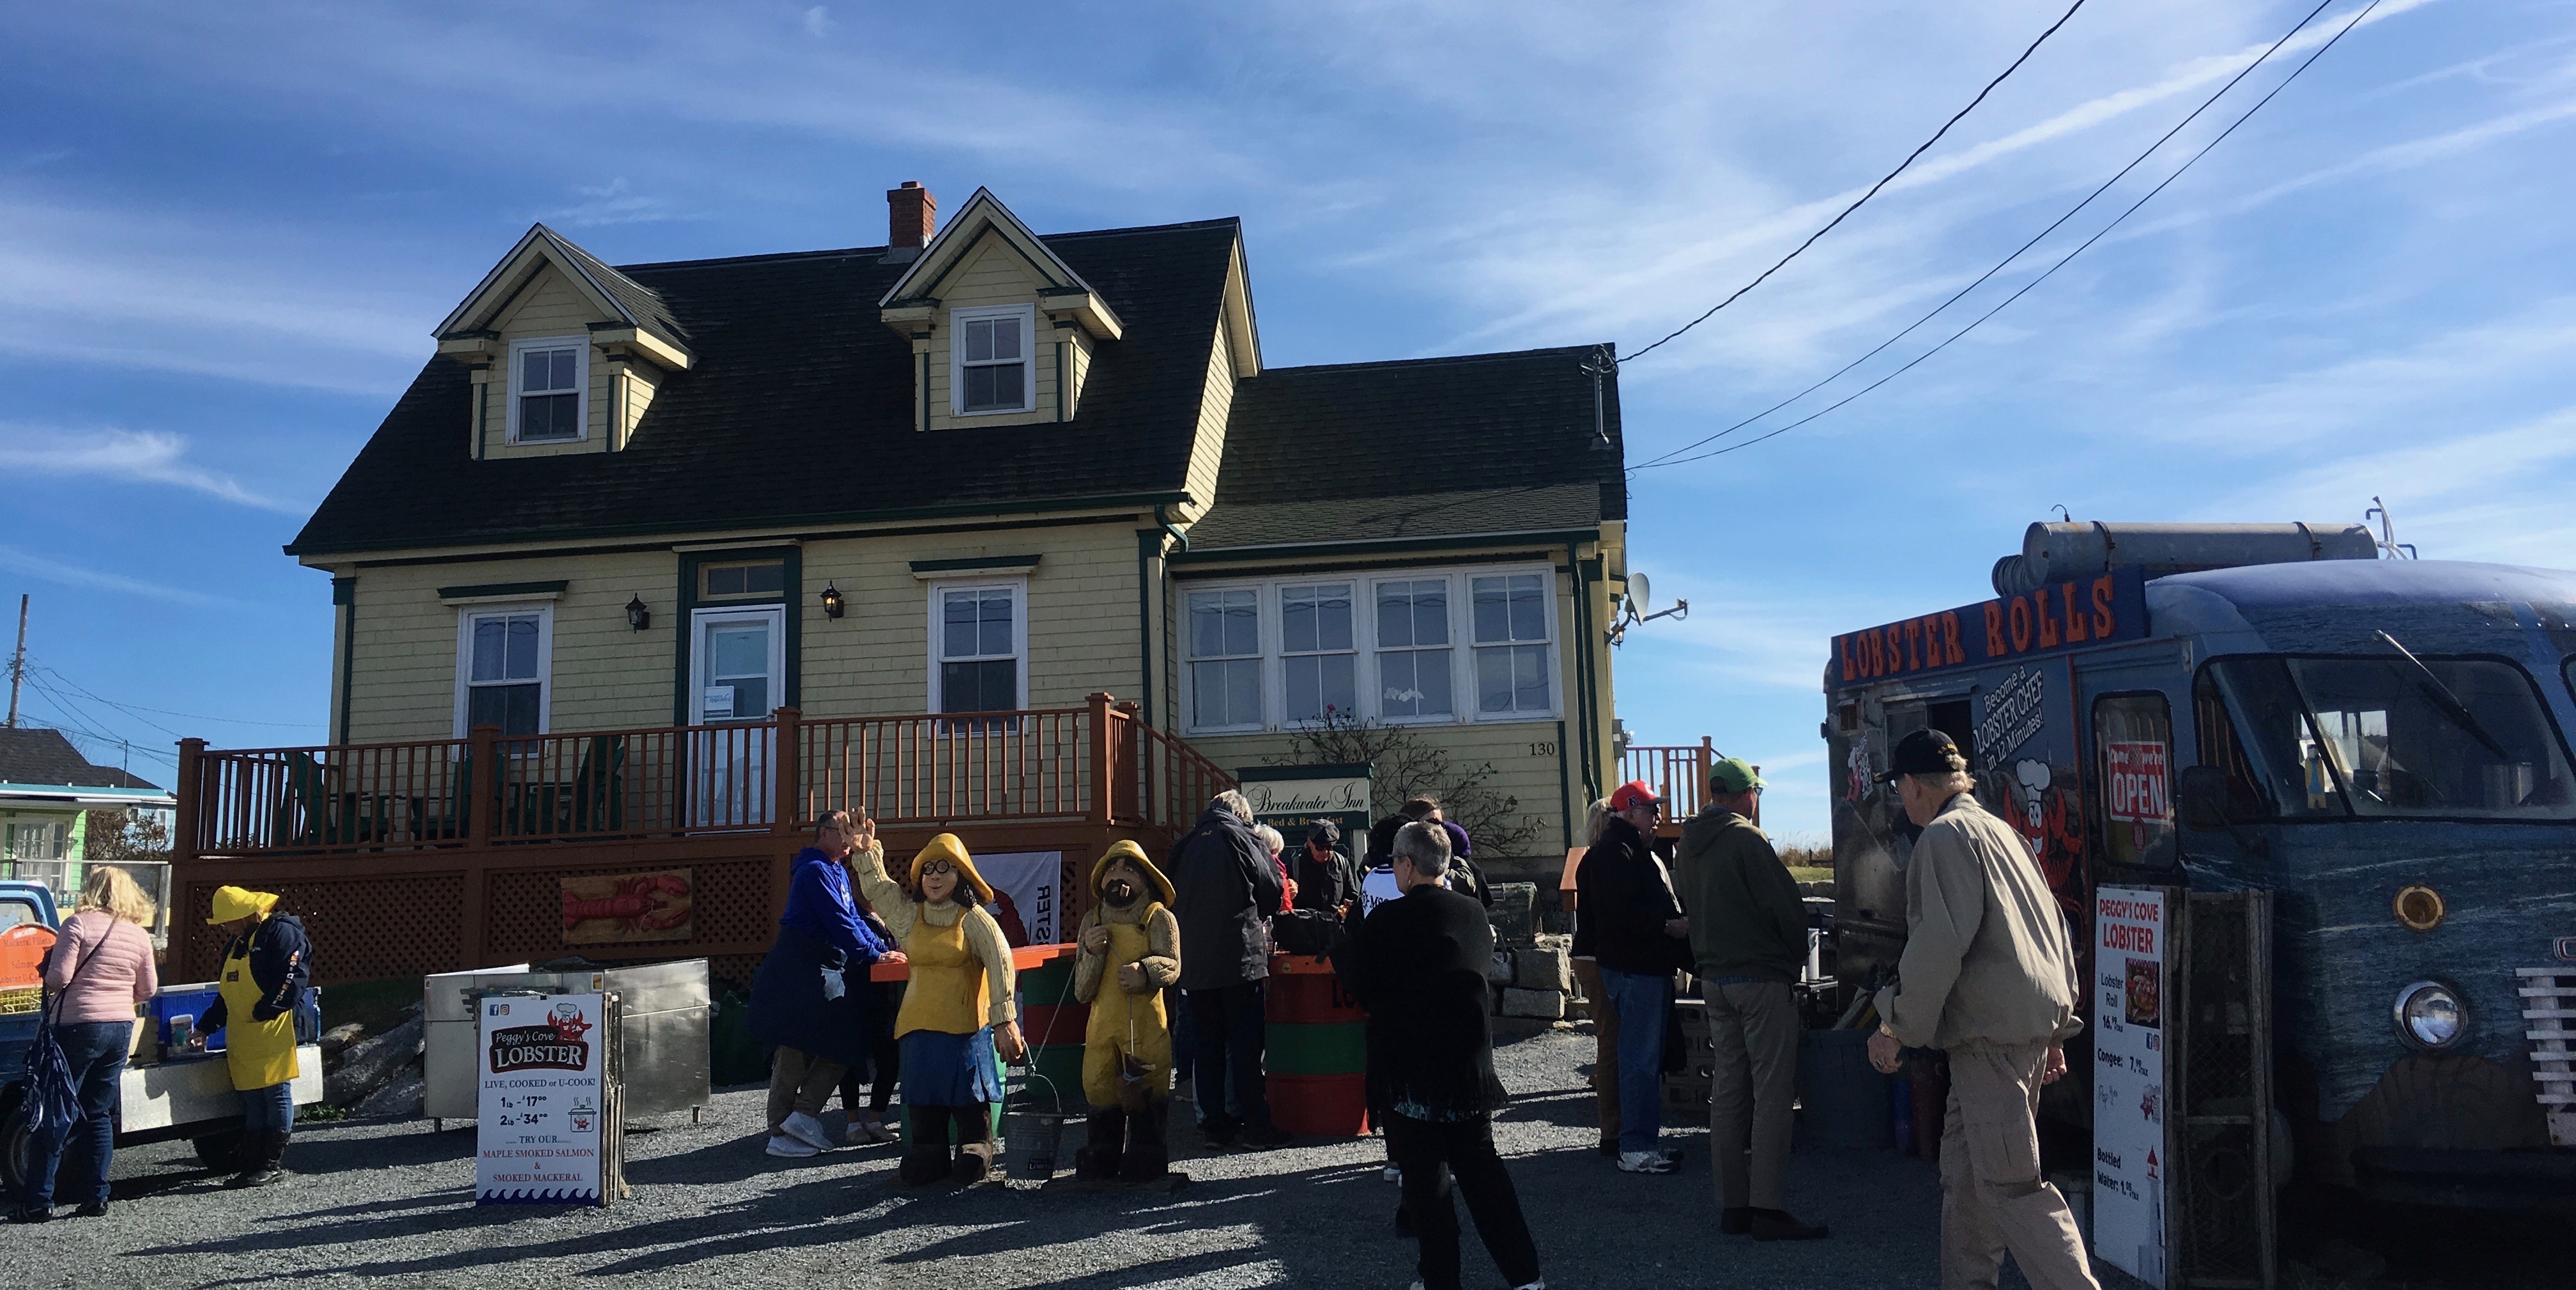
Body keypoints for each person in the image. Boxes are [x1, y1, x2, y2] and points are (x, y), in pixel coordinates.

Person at [1866, 730, 2097, 1290]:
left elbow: (1938, 944)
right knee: (1970, 1183)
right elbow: (2053, 930)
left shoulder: (1943, 838)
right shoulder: (2004, 832)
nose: (1900, 798)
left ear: (1913, 785)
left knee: (2014, 1188)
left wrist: (1895, 1024)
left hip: (1989, 1044)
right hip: (2015, 1036)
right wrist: (2054, 1032)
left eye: (1898, 787)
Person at [1333, 822, 1544, 1290]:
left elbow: (1365, 985)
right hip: (1469, 1065)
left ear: (1408, 865)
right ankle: (1526, 1275)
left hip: (1412, 1068)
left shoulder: (1390, 919)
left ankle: (1441, 1279)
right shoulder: (1473, 912)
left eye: (1396, 862)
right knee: (1484, 1173)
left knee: (1427, 1181)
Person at [1673, 758, 1828, 1241]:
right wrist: (1793, 958)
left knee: (1729, 1091)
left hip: (1715, 979)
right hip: (1760, 980)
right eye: (1756, 791)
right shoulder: (1747, 839)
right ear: (1745, 795)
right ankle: (1767, 1207)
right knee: (1773, 1093)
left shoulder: (1687, 845)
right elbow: (1785, 908)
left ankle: (1732, 1205)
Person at [851, 825, 1027, 1186]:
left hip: (964, 1028)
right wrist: (867, 855)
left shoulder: (975, 920)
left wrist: (1004, 1020)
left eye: (944, 868)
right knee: (923, 1095)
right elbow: (882, 893)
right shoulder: (911, 917)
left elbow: (1000, 964)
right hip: (917, 1026)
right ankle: (928, 1148)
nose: (934, 877)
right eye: (928, 869)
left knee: (968, 1093)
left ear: (962, 874)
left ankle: (976, 1144)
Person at [13, 866, 157, 1222]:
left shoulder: (77, 924)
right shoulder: (138, 935)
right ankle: (96, 1196)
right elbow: (147, 989)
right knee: (99, 1113)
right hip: (120, 1026)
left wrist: (46, 971)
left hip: (77, 1025)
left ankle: (39, 1200)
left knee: (56, 1109)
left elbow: (59, 979)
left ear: (92, 889)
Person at [749, 809, 894, 1160]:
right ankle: (780, 1132)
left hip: (824, 969)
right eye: (843, 831)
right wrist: (873, 955)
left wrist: (880, 949)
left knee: (841, 1043)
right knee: (793, 1048)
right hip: (797, 969)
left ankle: (800, 1119)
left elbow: (854, 918)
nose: (849, 840)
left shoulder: (836, 870)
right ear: (823, 833)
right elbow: (838, 921)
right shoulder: (814, 870)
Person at [1574, 780, 1689, 1175]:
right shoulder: (1615, 854)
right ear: (1630, 812)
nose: (1658, 817)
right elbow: (1621, 915)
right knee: (1638, 1058)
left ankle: (1640, 1142)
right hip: (1634, 968)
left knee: (1641, 1055)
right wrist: (1667, 926)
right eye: (1651, 810)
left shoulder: (1624, 850)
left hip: (1641, 967)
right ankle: (1636, 1147)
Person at [1167, 789, 1292, 1149]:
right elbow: (1272, 889)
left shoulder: (1184, 845)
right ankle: (1256, 1126)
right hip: (1240, 959)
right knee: (1245, 1047)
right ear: (1242, 816)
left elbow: (1167, 897)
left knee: (1206, 1047)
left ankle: (1215, 1128)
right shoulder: (1244, 839)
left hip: (1195, 964)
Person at [1071, 840, 1182, 1183]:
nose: (1118, 877)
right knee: (1099, 1084)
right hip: (1102, 1027)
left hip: (1145, 1025)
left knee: (1148, 1086)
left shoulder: (1158, 918)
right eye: (1111, 870)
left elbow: (1173, 963)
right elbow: (1082, 990)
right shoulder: (1092, 921)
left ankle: (1147, 1150)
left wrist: (1145, 972)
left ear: (1146, 879)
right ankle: (1102, 1150)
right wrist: (1092, 953)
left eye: (1129, 870)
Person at [192, 885, 312, 1189]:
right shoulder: (237, 944)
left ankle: (270, 1164)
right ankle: (252, 1164)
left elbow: (292, 978)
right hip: (243, 1034)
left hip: (274, 1028)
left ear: (246, 915)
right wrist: (206, 1027)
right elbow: (226, 995)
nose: (225, 927)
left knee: (276, 1094)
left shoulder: (282, 932)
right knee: (253, 1099)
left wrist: (265, 1010)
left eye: (228, 921)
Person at [1568, 798, 1621, 1159]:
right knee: (1611, 1040)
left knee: (1608, 1036)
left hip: (1586, 956)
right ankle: (1612, 1126)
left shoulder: (1588, 860)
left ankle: (1612, 1116)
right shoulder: (1603, 861)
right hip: (1599, 957)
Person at [1401, 797, 1489, 907]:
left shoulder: (1452, 840)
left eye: (1441, 824)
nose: (1438, 829)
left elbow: (1466, 882)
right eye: (1431, 823)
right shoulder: (1400, 851)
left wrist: (1443, 858)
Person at [1291, 820, 1359, 916]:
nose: (1325, 852)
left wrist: (1350, 905)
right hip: (1306, 923)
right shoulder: (1296, 866)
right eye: (1320, 847)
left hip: (1335, 922)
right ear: (1309, 842)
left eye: (1330, 847)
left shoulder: (1342, 864)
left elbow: (1352, 896)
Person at [1250, 822, 1298, 913]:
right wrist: (1286, 893)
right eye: (1278, 853)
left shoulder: (1248, 864)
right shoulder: (1276, 871)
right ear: (1274, 850)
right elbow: (1286, 908)